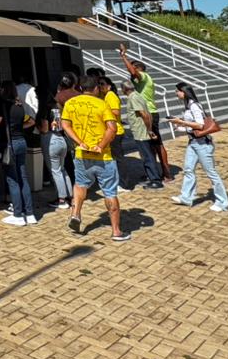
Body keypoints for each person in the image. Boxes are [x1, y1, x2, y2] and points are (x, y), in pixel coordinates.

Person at [61, 74, 130, 242]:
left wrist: (79, 142)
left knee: (80, 185)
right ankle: (116, 231)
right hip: (103, 155)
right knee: (110, 191)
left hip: (82, 153)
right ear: (96, 88)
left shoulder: (70, 103)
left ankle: (76, 214)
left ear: (80, 88)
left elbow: (65, 125)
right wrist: (101, 145)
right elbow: (112, 128)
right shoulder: (102, 104)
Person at [168, 83, 228, 212]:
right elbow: (192, 128)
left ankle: (223, 202)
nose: (176, 93)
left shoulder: (194, 106)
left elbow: (200, 125)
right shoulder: (188, 106)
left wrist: (181, 122)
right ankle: (186, 197)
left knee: (211, 173)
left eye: (177, 91)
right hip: (193, 142)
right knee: (188, 169)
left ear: (184, 91)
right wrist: (178, 125)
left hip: (203, 144)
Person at [120, 45, 173, 181]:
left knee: (156, 144)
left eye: (132, 68)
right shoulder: (144, 81)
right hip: (149, 112)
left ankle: (166, 173)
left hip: (148, 114)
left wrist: (123, 56)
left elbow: (133, 72)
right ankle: (153, 172)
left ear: (139, 68)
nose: (130, 73)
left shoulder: (143, 76)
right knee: (150, 145)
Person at [0, 79, 37, 226]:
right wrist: (19, 128)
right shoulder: (19, 105)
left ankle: (18, 214)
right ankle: (29, 213)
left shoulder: (2, 106)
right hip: (21, 141)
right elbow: (31, 121)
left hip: (9, 144)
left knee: (12, 179)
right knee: (23, 177)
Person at [42, 74, 78, 209]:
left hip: (51, 139)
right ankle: (70, 195)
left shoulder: (46, 108)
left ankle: (61, 199)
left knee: (55, 171)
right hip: (62, 138)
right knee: (62, 170)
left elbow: (45, 128)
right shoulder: (57, 107)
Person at [120, 79, 163, 189]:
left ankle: (155, 179)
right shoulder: (137, 95)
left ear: (124, 89)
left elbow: (144, 114)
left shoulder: (134, 97)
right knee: (146, 155)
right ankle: (150, 175)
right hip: (141, 131)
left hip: (141, 132)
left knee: (147, 156)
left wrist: (149, 130)